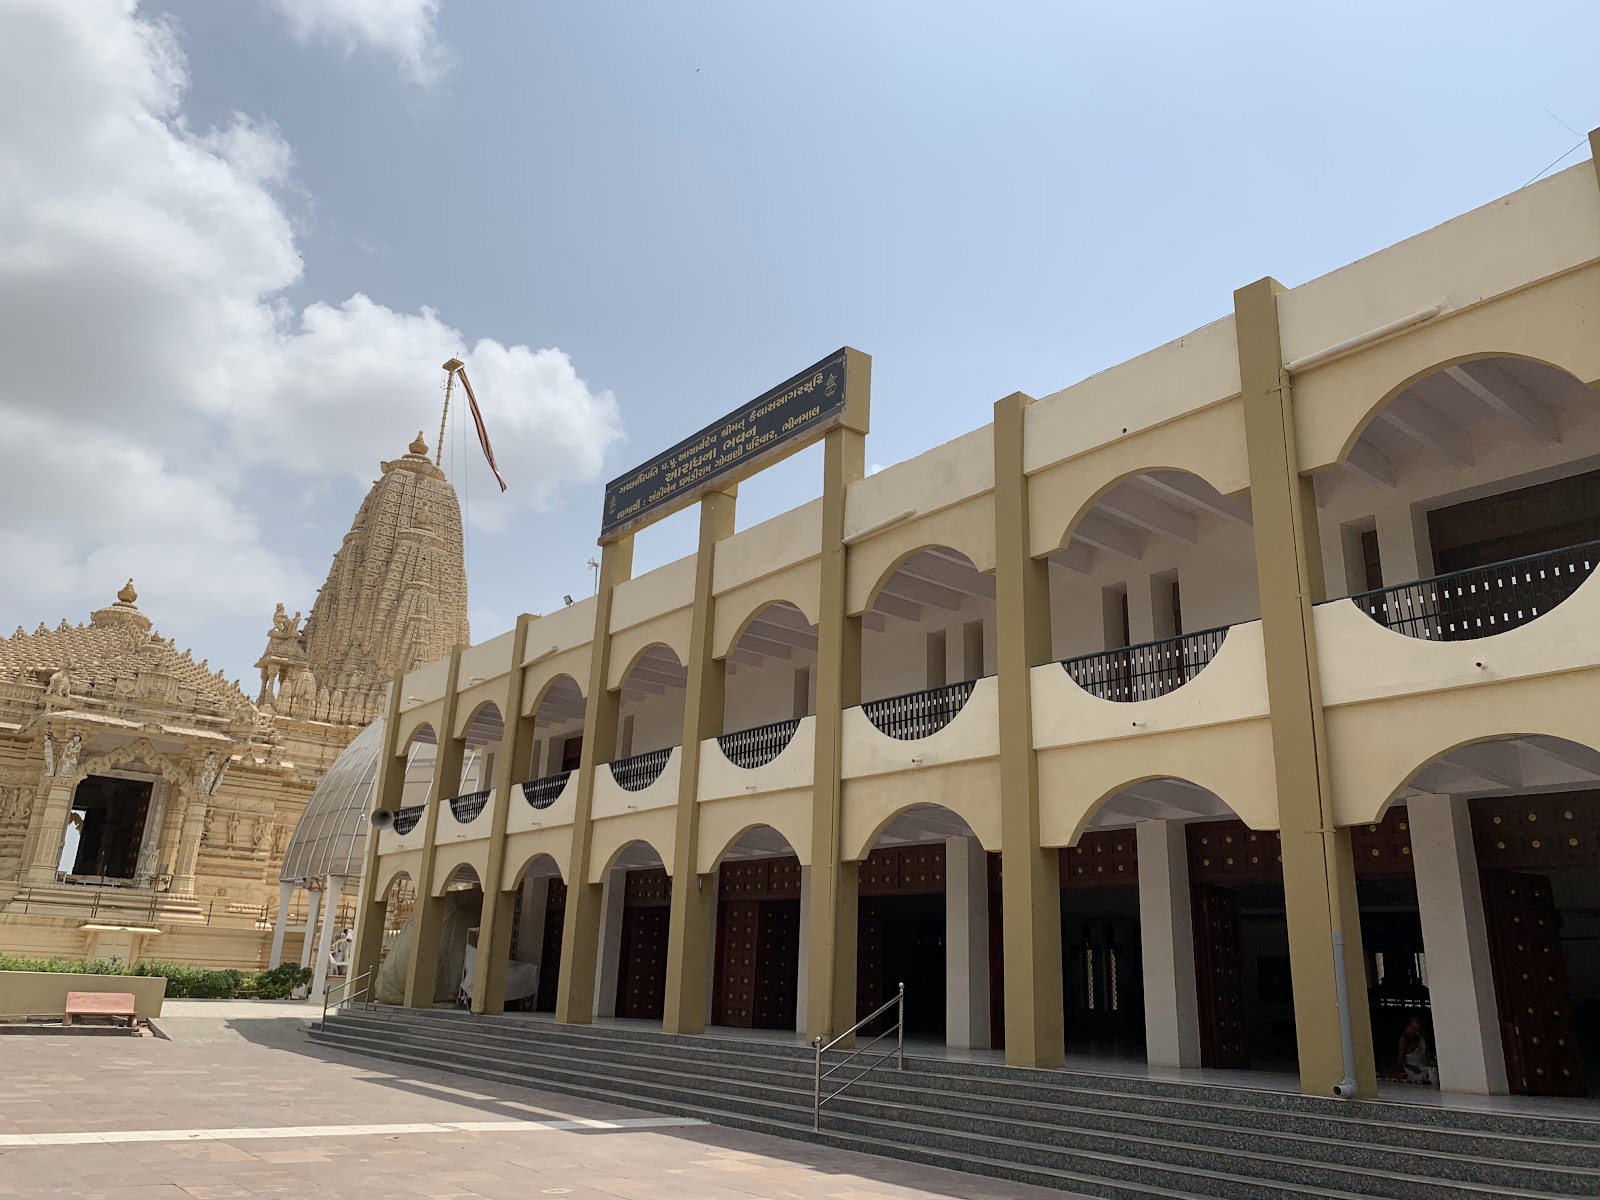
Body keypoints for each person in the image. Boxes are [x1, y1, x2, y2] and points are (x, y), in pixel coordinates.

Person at [1396, 1014, 1437, 1085]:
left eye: (1419, 1021)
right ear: (1409, 1024)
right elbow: (1400, 1058)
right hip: (1413, 1071)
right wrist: (1412, 1068)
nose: (1419, 1023)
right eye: (1416, 1021)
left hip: (1423, 1067)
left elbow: (1426, 1055)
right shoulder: (1404, 1038)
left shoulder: (1420, 1037)